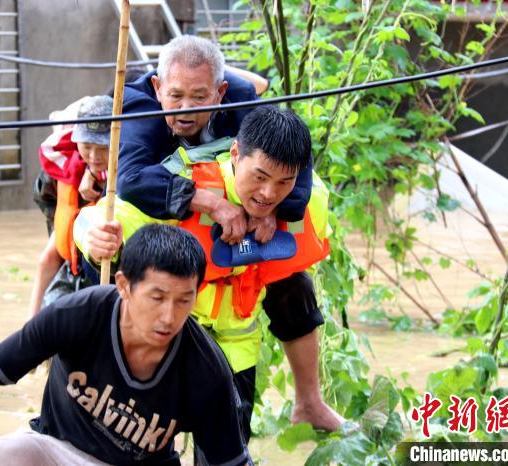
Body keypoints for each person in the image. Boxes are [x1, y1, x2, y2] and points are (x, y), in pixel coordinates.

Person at [76, 107, 342, 451]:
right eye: (259, 177)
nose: (268, 193)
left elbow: (308, 216)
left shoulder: (304, 201)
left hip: (237, 350)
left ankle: (309, 403)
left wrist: (275, 213)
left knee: (229, 454)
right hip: (167, 341)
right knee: (142, 449)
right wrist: (93, 235)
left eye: (283, 183)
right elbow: (97, 217)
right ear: (235, 154)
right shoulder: (188, 183)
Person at [117, 35, 342, 432]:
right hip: (163, 220)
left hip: (239, 229)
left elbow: (295, 159)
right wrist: (209, 202)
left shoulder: (240, 96)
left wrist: (277, 209)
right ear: (158, 88)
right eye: (176, 97)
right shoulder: (138, 105)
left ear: (220, 92)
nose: (186, 109)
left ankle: (309, 402)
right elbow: (130, 182)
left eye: (199, 97)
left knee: (295, 286)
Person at [0, 224, 251, 466]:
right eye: (157, 297)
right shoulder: (77, 314)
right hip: (58, 452)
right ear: (124, 285)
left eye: (183, 300)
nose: (168, 316)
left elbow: (229, 461)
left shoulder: (206, 368)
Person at [27, 95, 112, 318]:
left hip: (107, 277)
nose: (94, 156)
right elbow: (47, 205)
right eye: (87, 146)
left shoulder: (126, 176)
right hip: (72, 267)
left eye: (103, 148)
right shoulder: (62, 172)